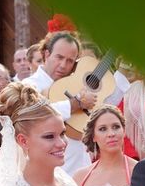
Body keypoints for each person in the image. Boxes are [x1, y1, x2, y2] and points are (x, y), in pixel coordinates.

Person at [22, 31, 97, 175]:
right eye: (59, 57)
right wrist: (75, 104)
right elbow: (35, 113)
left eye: (70, 61)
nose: (63, 65)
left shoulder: (75, 83)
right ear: (46, 54)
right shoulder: (29, 85)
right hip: (50, 170)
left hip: (81, 163)